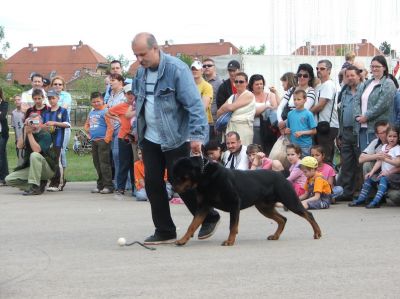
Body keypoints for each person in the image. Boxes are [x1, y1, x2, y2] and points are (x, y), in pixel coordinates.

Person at [131, 32, 220, 245]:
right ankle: (165, 230)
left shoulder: (176, 69)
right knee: (152, 183)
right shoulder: (140, 74)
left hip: (175, 137)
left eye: (142, 54)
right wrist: (137, 127)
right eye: (136, 55)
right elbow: (139, 102)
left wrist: (198, 136)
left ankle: (208, 215)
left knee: (179, 181)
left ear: (156, 48)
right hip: (150, 137)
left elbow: (194, 105)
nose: (139, 59)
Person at [349, 125, 400, 208]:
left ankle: (376, 201)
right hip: (383, 174)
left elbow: (398, 163)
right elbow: (379, 161)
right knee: (370, 178)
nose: (392, 138)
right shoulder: (384, 147)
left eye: (395, 136)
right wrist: (371, 172)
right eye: (390, 136)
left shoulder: (397, 148)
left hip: (394, 176)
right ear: (386, 137)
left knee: (384, 179)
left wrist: (385, 159)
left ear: (398, 137)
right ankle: (361, 198)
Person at [5, 113, 56, 195]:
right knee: (9, 179)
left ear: (41, 123)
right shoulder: (27, 131)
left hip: (47, 169)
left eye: (37, 122)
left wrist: (29, 134)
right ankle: (37, 186)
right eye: (32, 122)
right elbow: (19, 146)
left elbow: (37, 150)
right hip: (33, 168)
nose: (35, 125)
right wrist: (25, 129)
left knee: (34, 155)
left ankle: (35, 187)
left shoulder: (46, 135)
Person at [355, 55, 396, 151]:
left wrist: (366, 116)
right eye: (372, 66)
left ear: (384, 67)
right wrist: (357, 116)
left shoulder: (388, 83)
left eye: (377, 66)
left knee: (377, 157)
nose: (374, 68)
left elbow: (382, 105)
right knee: (365, 157)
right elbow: (357, 100)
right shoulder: (367, 83)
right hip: (362, 127)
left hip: (379, 129)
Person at [336, 65, 364, 200]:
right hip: (346, 132)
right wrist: (339, 134)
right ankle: (347, 192)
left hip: (359, 131)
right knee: (347, 163)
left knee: (360, 162)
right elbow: (340, 113)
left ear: (359, 76)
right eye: (347, 76)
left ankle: (361, 192)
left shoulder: (364, 89)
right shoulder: (344, 91)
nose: (350, 78)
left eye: (353, 75)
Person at [106, 84, 135, 195]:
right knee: (124, 163)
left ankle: (135, 187)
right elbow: (108, 113)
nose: (131, 95)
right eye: (128, 93)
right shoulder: (121, 106)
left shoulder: (138, 105)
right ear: (125, 94)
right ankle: (121, 187)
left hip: (135, 138)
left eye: (132, 93)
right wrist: (118, 119)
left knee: (135, 163)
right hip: (123, 137)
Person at [84, 92, 114, 194]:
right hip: (94, 141)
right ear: (91, 103)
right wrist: (89, 131)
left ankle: (108, 186)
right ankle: (100, 185)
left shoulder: (106, 111)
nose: (96, 103)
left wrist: (106, 139)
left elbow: (110, 127)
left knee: (104, 164)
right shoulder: (92, 112)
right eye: (94, 102)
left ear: (102, 100)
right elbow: (87, 125)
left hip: (103, 141)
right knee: (96, 163)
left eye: (98, 101)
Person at [311, 59, 339, 162]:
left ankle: (329, 178)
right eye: (317, 68)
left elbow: (321, 105)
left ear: (329, 71)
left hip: (328, 126)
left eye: (322, 68)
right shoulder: (319, 86)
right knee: (318, 158)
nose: (319, 70)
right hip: (320, 126)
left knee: (325, 159)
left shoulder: (329, 85)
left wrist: (306, 114)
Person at [42, 89, 70, 192]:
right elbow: (43, 126)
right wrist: (46, 126)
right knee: (50, 161)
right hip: (48, 140)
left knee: (57, 160)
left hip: (58, 139)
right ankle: (52, 181)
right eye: (49, 98)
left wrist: (55, 123)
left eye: (53, 98)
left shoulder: (63, 111)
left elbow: (67, 124)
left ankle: (59, 183)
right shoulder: (46, 112)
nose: (51, 100)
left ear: (58, 98)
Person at [216, 72, 255, 145]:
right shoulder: (232, 97)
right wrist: (227, 107)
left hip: (243, 128)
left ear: (246, 83)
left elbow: (231, 107)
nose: (238, 83)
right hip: (230, 129)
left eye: (241, 82)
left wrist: (226, 107)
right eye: (236, 81)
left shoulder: (249, 95)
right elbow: (218, 112)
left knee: (243, 152)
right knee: (229, 153)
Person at [277, 64, 316, 136]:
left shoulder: (311, 92)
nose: (302, 77)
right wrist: (280, 121)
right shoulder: (292, 89)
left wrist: (284, 124)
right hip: (286, 127)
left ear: (310, 77)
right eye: (300, 75)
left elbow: (302, 110)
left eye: (305, 76)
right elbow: (280, 107)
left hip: (300, 127)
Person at [248, 74, 278, 153]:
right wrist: (266, 107)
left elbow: (274, 108)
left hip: (269, 129)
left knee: (269, 151)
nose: (259, 86)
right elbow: (251, 113)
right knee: (257, 151)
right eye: (257, 84)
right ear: (252, 85)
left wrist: (259, 110)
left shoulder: (270, 95)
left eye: (261, 84)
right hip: (254, 128)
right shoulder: (249, 96)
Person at [50, 76, 73, 179]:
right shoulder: (49, 95)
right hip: (51, 127)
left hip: (63, 126)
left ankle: (61, 177)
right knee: (51, 150)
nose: (57, 86)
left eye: (60, 84)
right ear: (52, 85)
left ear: (63, 86)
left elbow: (62, 108)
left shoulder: (66, 95)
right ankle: (53, 175)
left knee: (61, 150)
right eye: (55, 84)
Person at [285, 89, 317, 156]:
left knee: (305, 165)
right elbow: (288, 129)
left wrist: (302, 132)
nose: (296, 102)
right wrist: (286, 131)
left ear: (305, 100)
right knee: (295, 165)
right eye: (294, 99)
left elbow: (314, 131)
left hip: (305, 146)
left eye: (299, 99)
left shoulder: (308, 114)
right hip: (293, 146)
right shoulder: (290, 114)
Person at [191, 60, 213, 143]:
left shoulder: (207, 86)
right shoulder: (187, 85)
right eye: (193, 69)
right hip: (188, 122)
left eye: (196, 69)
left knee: (201, 149)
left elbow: (203, 107)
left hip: (201, 123)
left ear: (201, 71)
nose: (194, 71)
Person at [202, 58, 222, 140]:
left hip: (214, 122)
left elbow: (222, 104)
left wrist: (218, 123)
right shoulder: (200, 81)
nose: (206, 67)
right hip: (203, 121)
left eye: (209, 65)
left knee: (214, 149)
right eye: (204, 66)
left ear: (214, 67)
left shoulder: (220, 82)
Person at [11, 94, 25, 165]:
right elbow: (14, 127)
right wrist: (16, 139)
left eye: (19, 99)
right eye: (15, 100)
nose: (17, 101)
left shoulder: (26, 112)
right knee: (19, 158)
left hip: (26, 138)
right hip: (18, 139)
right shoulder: (13, 113)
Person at [0, 87, 9, 186]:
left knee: (1, 155)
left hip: (2, 134)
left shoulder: (4, 104)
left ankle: (3, 178)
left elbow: (2, 117)